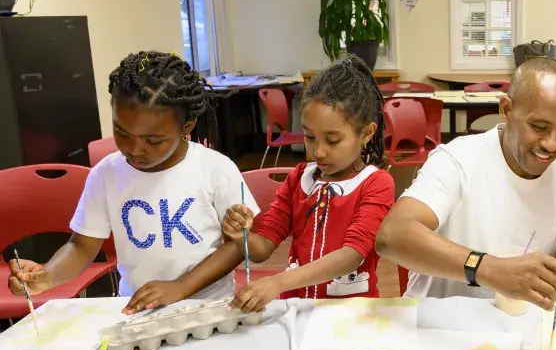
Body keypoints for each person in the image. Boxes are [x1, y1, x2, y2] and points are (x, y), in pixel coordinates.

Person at [7, 51, 258, 314]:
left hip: (209, 306)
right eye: (122, 133)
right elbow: (81, 246)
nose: (135, 149)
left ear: (187, 127)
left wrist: (181, 287)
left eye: (153, 140)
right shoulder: (106, 174)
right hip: (139, 308)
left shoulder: (215, 169)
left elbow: (238, 244)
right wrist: (47, 276)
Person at [375, 58, 556, 311]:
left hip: (517, 330)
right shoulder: (458, 160)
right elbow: (392, 235)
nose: (551, 144)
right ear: (506, 110)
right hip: (437, 326)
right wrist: (489, 269)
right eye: (539, 127)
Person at [219, 57, 394, 312]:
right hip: (298, 310)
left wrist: (277, 282)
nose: (318, 152)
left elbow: (351, 256)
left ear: (366, 133)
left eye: (332, 140)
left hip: (351, 315)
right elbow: (262, 248)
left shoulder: (376, 184)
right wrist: (241, 236)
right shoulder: (299, 179)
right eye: (310, 137)